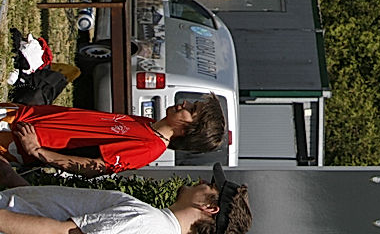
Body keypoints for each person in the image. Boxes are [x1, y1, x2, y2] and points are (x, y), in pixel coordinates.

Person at [0, 158, 252, 234]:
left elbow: (61, 232)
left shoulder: (146, 221)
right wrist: (12, 179)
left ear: (210, 207)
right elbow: (59, 211)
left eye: (209, 185)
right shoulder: (154, 225)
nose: (199, 181)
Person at [0, 95, 225, 177]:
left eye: (191, 109)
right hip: (23, 116)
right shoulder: (148, 124)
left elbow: (94, 166)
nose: (184, 103)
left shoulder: (149, 148)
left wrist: (37, 151)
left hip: (16, 140)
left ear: (188, 130)